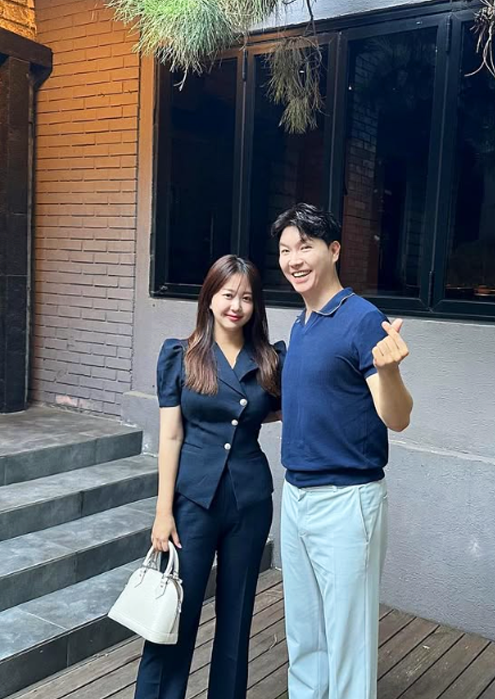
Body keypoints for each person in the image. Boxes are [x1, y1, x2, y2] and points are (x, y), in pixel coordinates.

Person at [271, 203, 413, 699]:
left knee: (348, 644)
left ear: (333, 250)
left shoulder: (362, 319)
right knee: (305, 636)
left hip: (347, 500)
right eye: (285, 250)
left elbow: (397, 417)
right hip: (296, 495)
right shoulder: (302, 323)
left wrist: (390, 372)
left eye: (305, 246)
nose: (294, 259)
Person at [134, 255, 285, 699]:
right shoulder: (180, 355)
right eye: (228, 295)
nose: (236, 306)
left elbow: (278, 411)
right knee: (173, 616)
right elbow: (171, 436)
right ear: (210, 297)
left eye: (246, 298)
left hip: (249, 503)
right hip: (192, 503)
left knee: (237, 620)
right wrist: (163, 512)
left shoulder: (270, 360)